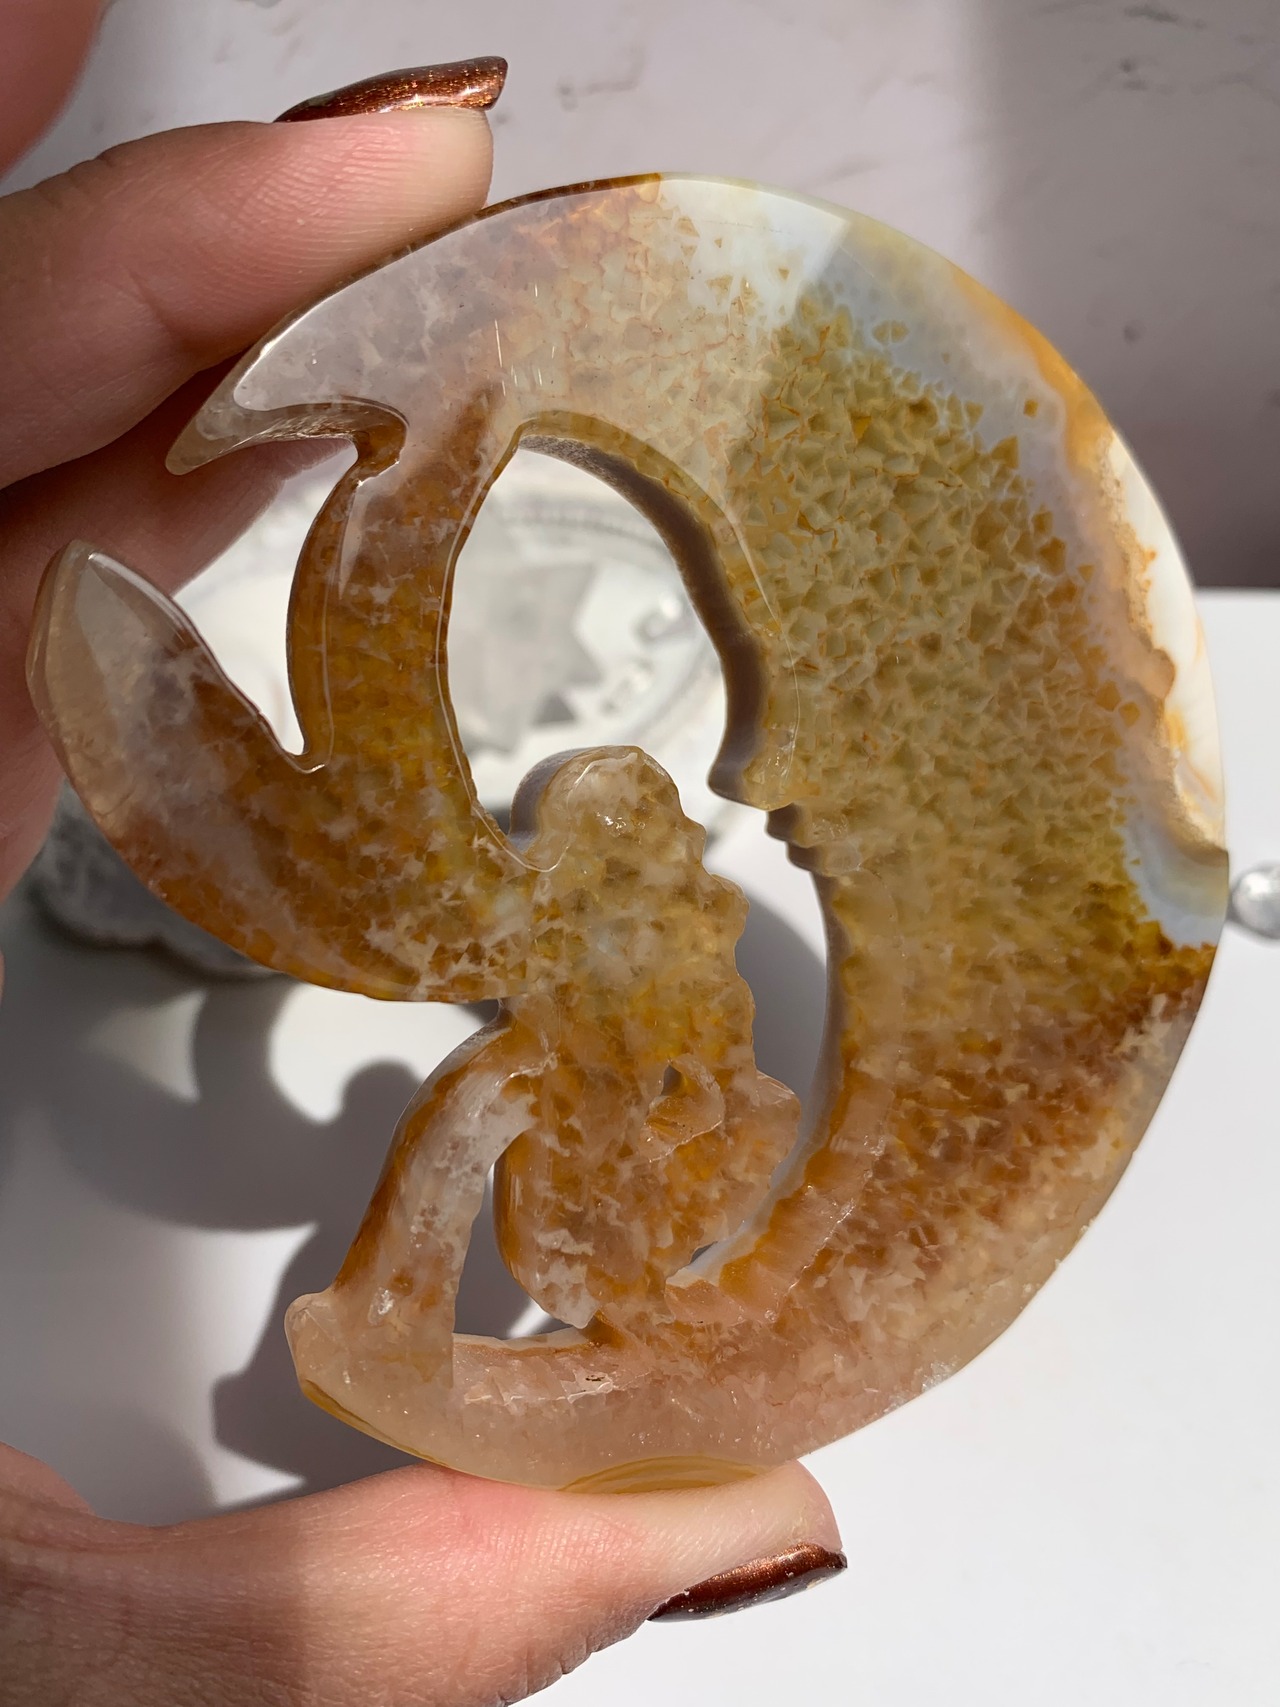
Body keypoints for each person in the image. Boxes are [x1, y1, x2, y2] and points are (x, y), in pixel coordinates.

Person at [0, 7, 844, 1702]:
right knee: (492, 1108)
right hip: (582, 1183)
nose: (671, 865)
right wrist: (404, 1329)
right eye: (634, 848)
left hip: (684, 1165)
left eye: (667, 852)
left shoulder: (686, 980)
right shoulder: (515, 1013)